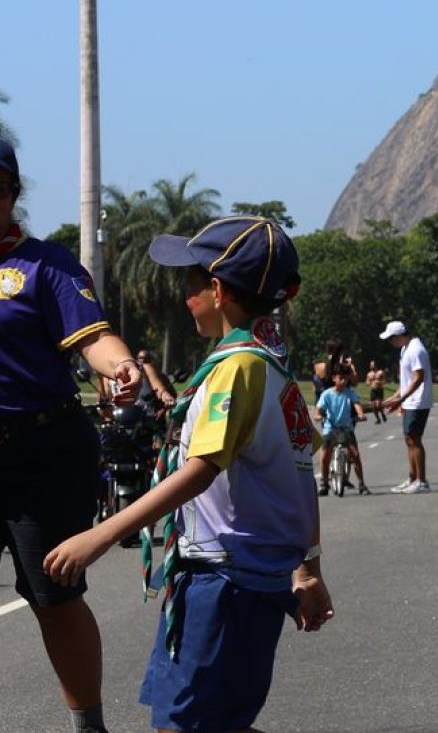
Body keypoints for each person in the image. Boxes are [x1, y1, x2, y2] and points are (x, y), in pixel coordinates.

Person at [45, 214, 331, 733]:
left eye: (190, 284)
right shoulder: (271, 366)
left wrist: (102, 534)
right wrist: (307, 568)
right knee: (211, 719)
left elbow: (200, 472)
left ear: (217, 290)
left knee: (187, 725)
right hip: (240, 580)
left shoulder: (237, 370)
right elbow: (301, 474)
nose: (185, 296)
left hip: (224, 582)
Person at [0, 140, 143, 733]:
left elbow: (92, 337)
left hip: (43, 453)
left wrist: (120, 366)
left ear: (8, 193)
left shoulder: (45, 264)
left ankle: (90, 726)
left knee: (52, 596)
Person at [379, 320, 433, 492]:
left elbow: (418, 378)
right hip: (410, 401)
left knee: (415, 439)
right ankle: (412, 478)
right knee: (409, 439)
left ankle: (421, 481)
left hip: (418, 401)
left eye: (392, 338)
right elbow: (406, 381)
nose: (390, 342)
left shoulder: (416, 349)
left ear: (400, 336)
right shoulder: (405, 349)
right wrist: (394, 398)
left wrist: (401, 399)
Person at [313, 364, 369, 495]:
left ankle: (362, 484)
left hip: (346, 428)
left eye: (346, 378)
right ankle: (324, 483)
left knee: (355, 455)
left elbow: (356, 405)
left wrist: (360, 414)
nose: (344, 381)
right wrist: (318, 416)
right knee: (325, 455)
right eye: (341, 378)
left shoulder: (350, 393)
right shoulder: (326, 394)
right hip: (330, 428)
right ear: (334, 378)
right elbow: (319, 410)